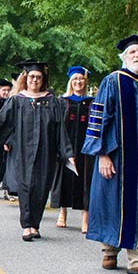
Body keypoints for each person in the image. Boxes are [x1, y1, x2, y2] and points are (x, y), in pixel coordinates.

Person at [82, 35, 138, 274]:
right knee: (112, 201)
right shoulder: (112, 82)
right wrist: (102, 154)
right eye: (132, 52)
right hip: (117, 156)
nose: (137, 55)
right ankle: (109, 250)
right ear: (124, 57)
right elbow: (99, 120)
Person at [0, 60, 75, 241]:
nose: (35, 80)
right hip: (23, 151)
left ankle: (35, 224)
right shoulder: (17, 100)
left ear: (43, 79)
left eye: (38, 77)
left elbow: (60, 130)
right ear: (25, 78)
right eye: (32, 76)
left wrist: (67, 153)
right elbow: (0, 123)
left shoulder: (52, 101)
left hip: (46, 151)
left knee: (41, 187)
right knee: (26, 186)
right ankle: (26, 225)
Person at [50, 66, 95, 234]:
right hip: (65, 146)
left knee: (86, 181)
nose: (78, 82)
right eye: (75, 79)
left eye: (81, 79)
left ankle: (85, 218)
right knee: (65, 178)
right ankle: (62, 212)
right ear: (71, 81)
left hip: (86, 149)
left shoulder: (92, 102)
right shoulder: (62, 101)